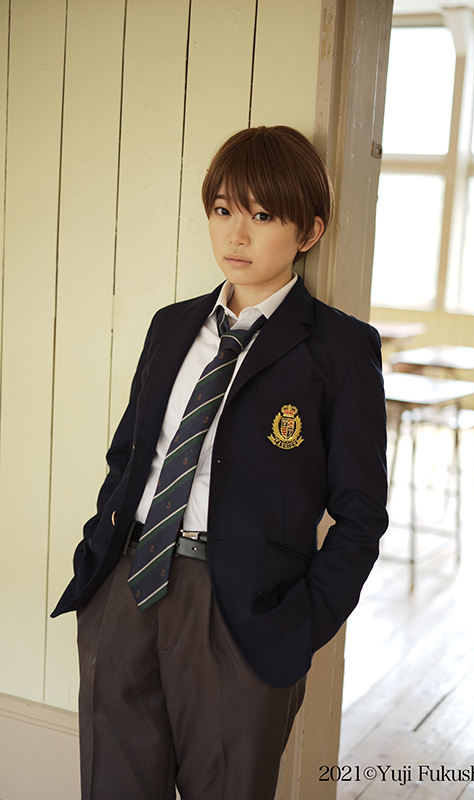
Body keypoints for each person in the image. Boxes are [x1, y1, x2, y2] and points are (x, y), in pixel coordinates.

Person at [52, 125, 388, 800]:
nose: (236, 234)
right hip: (126, 582)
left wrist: (300, 622)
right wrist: (98, 560)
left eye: (262, 216)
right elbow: (128, 456)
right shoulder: (172, 325)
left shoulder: (339, 350)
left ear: (309, 231)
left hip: (240, 611)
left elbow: (360, 516)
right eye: (223, 209)